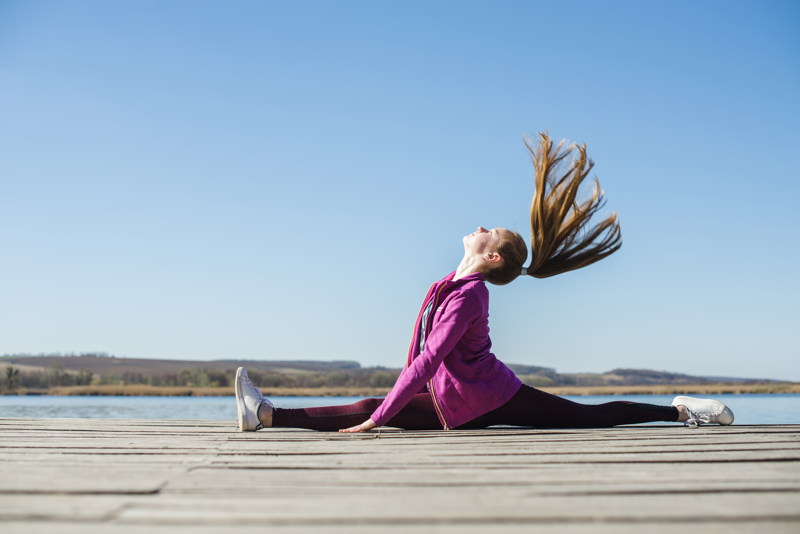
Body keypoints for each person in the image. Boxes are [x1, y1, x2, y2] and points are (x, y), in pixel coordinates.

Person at [235, 133, 734, 433]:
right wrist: (397, 406)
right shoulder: (446, 283)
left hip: (485, 397)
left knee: (588, 417)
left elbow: (431, 357)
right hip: (469, 393)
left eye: (488, 230)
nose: (479, 226)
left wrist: (380, 417)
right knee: (584, 415)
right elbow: (423, 358)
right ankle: (266, 415)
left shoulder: (470, 294)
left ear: (491, 255)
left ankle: (677, 410)